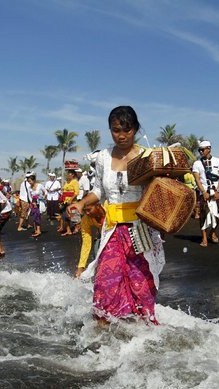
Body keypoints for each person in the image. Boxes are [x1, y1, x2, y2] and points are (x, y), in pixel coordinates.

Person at [72, 106, 165, 324]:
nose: (121, 135)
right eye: (115, 130)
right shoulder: (103, 158)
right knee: (105, 282)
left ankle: (144, 334)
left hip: (139, 230)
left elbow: (157, 190)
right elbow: (98, 191)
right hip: (112, 229)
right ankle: (103, 334)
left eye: (127, 129)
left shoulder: (146, 156)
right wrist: (81, 202)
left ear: (135, 129)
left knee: (141, 284)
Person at [191, 139, 219, 246]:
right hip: (204, 192)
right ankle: (204, 238)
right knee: (204, 215)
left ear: (209, 149)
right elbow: (197, 180)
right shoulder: (196, 163)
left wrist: (218, 191)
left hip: (217, 191)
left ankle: (212, 233)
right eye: (199, 150)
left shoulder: (218, 161)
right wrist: (203, 192)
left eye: (202, 150)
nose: (200, 152)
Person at [74, 203, 105, 278]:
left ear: (98, 206)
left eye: (89, 210)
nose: (87, 213)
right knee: (97, 253)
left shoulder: (109, 211)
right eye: (85, 211)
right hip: (102, 235)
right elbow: (86, 243)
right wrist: (81, 267)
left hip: (117, 235)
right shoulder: (86, 218)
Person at [58, 169, 80, 235]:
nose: (67, 175)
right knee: (65, 216)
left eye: (69, 174)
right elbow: (64, 191)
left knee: (73, 215)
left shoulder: (75, 182)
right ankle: (68, 230)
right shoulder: (67, 182)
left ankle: (77, 227)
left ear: (72, 175)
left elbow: (76, 192)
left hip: (72, 202)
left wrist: (71, 199)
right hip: (65, 201)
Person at [26, 173, 46, 238]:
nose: (29, 183)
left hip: (40, 203)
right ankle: (36, 230)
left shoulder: (39, 185)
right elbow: (29, 196)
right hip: (34, 204)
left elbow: (45, 192)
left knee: (37, 216)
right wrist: (31, 203)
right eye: (28, 181)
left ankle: (38, 230)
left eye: (30, 181)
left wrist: (44, 196)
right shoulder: (29, 188)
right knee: (34, 217)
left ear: (34, 180)